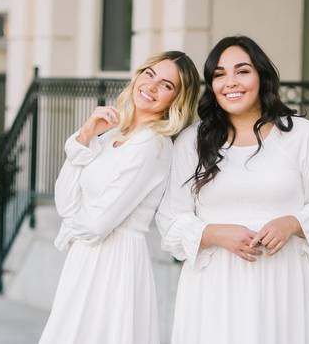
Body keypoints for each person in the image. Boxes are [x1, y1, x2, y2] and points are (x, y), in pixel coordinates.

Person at [156, 36, 309, 344]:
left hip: (281, 286)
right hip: (213, 287)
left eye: (242, 71)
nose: (231, 82)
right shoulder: (193, 141)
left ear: (261, 76)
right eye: (219, 75)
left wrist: (292, 223)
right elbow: (169, 220)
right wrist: (215, 233)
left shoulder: (302, 136)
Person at [38, 51, 200, 344]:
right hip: (85, 258)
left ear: (177, 100)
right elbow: (66, 201)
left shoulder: (153, 144)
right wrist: (85, 135)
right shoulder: (109, 136)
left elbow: (99, 223)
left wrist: (75, 228)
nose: (151, 87)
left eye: (166, 85)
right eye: (149, 74)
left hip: (114, 261)